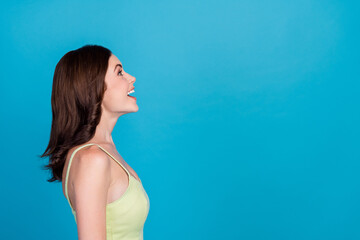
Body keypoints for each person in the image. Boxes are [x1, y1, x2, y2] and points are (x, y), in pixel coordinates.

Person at [40, 44, 150, 240]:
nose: (131, 78)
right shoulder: (92, 159)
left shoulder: (104, 151)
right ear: (95, 87)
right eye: (119, 73)